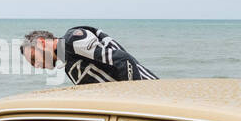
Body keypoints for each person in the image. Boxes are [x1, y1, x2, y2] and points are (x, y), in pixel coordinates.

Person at [20, 26, 158, 85]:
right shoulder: (69, 66)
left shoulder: (72, 40)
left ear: (42, 43)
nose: (36, 65)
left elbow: (123, 59)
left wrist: (134, 101)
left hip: (151, 96)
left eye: (34, 58)